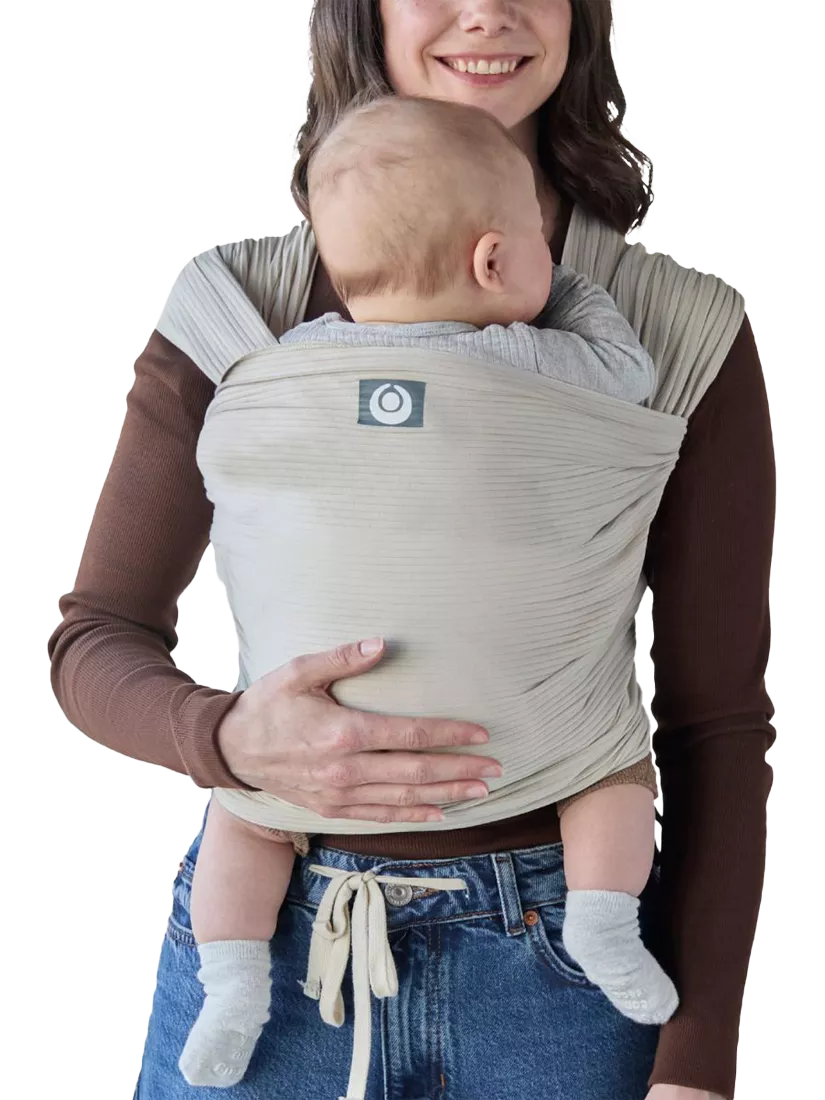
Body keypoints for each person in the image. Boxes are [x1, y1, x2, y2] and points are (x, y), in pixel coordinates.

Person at [47, 3, 775, 1099]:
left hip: (574, 970)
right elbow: (95, 641)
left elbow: (716, 724)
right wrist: (226, 737)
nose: (486, 9)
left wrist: (699, 1061)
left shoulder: (677, 326)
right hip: (277, 931)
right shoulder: (240, 309)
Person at [178, 93, 676, 1093]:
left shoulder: (278, 364)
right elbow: (629, 372)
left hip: (306, 763)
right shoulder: (543, 359)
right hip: (525, 766)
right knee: (612, 774)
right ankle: (601, 916)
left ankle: (231, 983)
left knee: (247, 815)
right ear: (494, 260)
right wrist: (573, 295)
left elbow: (231, 454)